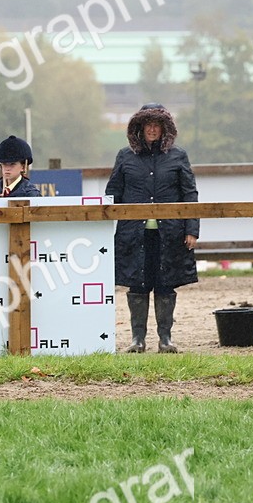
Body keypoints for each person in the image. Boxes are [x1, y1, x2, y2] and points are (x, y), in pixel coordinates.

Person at [105, 103, 199, 353]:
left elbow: (189, 194)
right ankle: (138, 339)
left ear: (165, 128)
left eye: (157, 125)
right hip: (133, 233)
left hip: (170, 233)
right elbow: (112, 193)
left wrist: (192, 229)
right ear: (139, 127)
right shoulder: (125, 156)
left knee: (166, 282)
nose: (152, 129)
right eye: (148, 124)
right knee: (137, 283)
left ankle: (165, 339)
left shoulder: (178, 156)